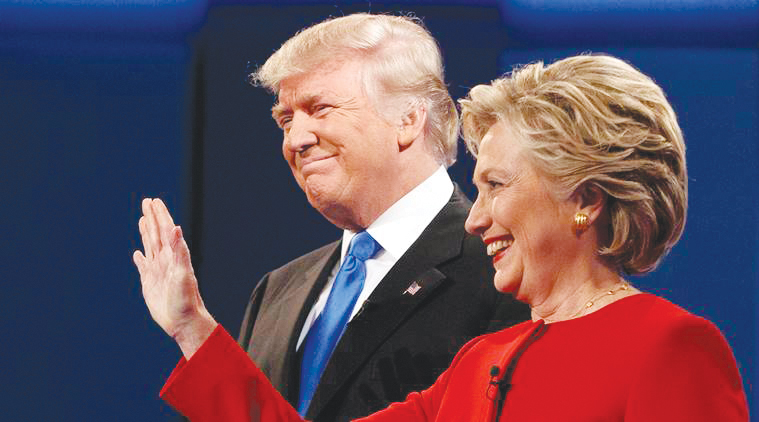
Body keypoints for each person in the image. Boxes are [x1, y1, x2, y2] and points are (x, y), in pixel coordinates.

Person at [148, 53, 749, 421]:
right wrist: (191, 327)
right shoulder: (478, 363)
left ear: (585, 199)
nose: (474, 217)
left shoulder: (671, 348)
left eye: (496, 185)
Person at [133, 13, 529, 422]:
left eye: (319, 108)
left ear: (408, 120)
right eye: (286, 120)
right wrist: (191, 328)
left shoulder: (503, 269)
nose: (296, 140)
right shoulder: (278, 291)